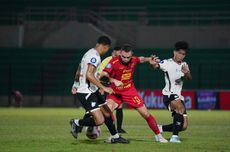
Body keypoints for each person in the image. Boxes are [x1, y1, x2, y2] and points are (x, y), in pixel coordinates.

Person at [101, 44, 168, 143]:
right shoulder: (113, 62)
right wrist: (113, 80)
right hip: (115, 92)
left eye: (128, 57)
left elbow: (141, 59)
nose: (125, 59)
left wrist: (149, 59)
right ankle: (112, 135)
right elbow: (103, 75)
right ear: (120, 54)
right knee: (106, 112)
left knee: (145, 113)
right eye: (123, 56)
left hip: (129, 91)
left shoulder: (133, 59)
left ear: (131, 55)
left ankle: (158, 135)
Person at [70, 36, 129, 144]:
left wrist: (75, 83)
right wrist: (104, 88)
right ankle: (77, 122)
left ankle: (115, 136)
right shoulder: (95, 56)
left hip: (92, 90)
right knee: (100, 120)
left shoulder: (89, 52)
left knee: (107, 112)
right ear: (105, 47)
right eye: (107, 49)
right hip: (86, 92)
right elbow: (89, 75)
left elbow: (79, 68)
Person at [150, 41, 192, 143]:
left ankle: (160, 129)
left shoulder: (184, 64)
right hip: (169, 95)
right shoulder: (167, 63)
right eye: (180, 53)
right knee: (180, 108)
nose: (181, 56)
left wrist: (187, 73)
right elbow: (155, 66)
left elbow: (189, 78)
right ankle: (174, 137)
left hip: (179, 97)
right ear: (174, 52)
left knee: (184, 126)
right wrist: (152, 64)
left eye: (183, 54)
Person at [97, 46, 127, 133]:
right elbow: (100, 75)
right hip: (104, 85)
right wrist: (101, 87)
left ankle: (119, 128)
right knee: (100, 107)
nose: (119, 57)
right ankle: (91, 124)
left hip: (113, 86)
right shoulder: (107, 61)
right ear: (113, 53)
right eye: (118, 54)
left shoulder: (119, 61)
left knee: (119, 106)